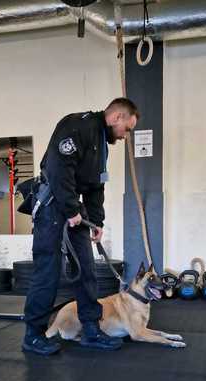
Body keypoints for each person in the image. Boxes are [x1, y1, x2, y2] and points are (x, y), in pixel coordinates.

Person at [22, 97, 139, 356]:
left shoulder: (102, 144)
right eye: (127, 129)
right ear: (116, 117)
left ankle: (91, 330)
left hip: (74, 209)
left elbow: (97, 186)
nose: (125, 136)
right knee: (48, 272)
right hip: (53, 204)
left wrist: (96, 222)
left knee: (87, 269)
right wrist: (71, 209)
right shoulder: (77, 127)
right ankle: (33, 335)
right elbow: (58, 169)